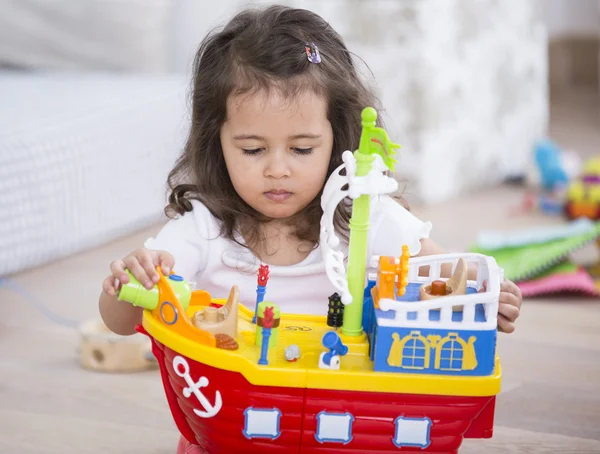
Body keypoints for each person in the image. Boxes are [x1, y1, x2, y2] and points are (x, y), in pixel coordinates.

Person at [98, 5, 522, 453]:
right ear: (216, 141)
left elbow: (448, 279)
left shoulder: (365, 216)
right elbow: (122, 322)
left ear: (336, 139)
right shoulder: (204, 230)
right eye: (252, 149)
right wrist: (127, 284)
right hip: (236, 429)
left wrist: (487, 302)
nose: (277, 169)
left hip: (343, 421)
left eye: (301, 149)